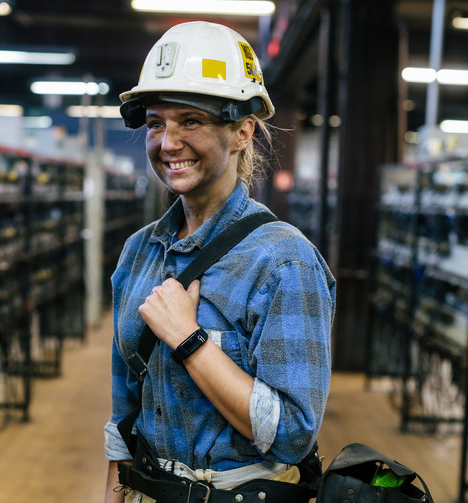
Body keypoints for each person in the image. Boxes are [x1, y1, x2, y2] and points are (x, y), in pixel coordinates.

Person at [104, 21, 336, 503]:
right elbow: (125, 414)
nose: (168, 143)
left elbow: (294, 433)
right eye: (154, 123)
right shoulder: (138, 253)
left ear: (242, 132)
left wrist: (190, 341)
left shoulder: (283, 261)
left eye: (191, 121)